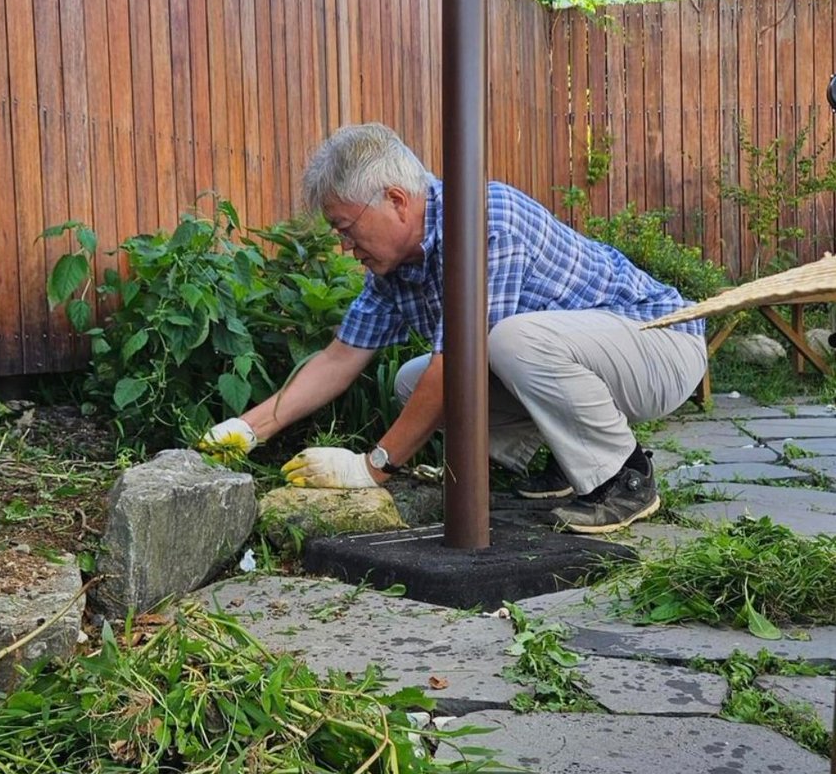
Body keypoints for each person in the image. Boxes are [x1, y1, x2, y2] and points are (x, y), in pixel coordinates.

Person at [201, 122, 707, 534]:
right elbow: (338, 358)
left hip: (661, 343)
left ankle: (625, 477)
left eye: (347, 229)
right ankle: (566, 463)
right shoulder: (393, 266)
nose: (345, 246)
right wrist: (245, 430)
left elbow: (459, 363)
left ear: (397, 201)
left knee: (507, 341)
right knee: (410, 378)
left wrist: (374, 466)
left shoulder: (485, 220)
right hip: (594, 358)